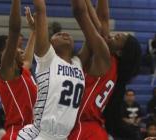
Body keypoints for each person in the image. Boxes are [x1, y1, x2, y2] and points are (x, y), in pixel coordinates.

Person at [17, 0, 111, 139]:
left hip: (64, 136)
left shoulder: (78, 62)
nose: (64, 34)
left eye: (67, 34)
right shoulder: (47, 58)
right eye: (58, 35)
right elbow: (41, 10)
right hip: (40, 134)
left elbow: (96, 30)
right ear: (50, 43)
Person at [69, 0, 141, 139]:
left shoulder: (105, 55)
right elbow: (103, 19)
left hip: (84, 126)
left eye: (116, 38)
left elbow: (82, 14)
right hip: (92, 128)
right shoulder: (113, 65)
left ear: (120, 52)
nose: (112, 36)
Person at [0, 1, 37, 139]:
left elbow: (26, 59)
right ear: (2, 54)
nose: (19, 48)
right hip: (18, 133)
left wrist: (34, 30)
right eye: (12, 46)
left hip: (32, 132)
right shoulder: (5, 72)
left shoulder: (22, 71)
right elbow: (14, 30)